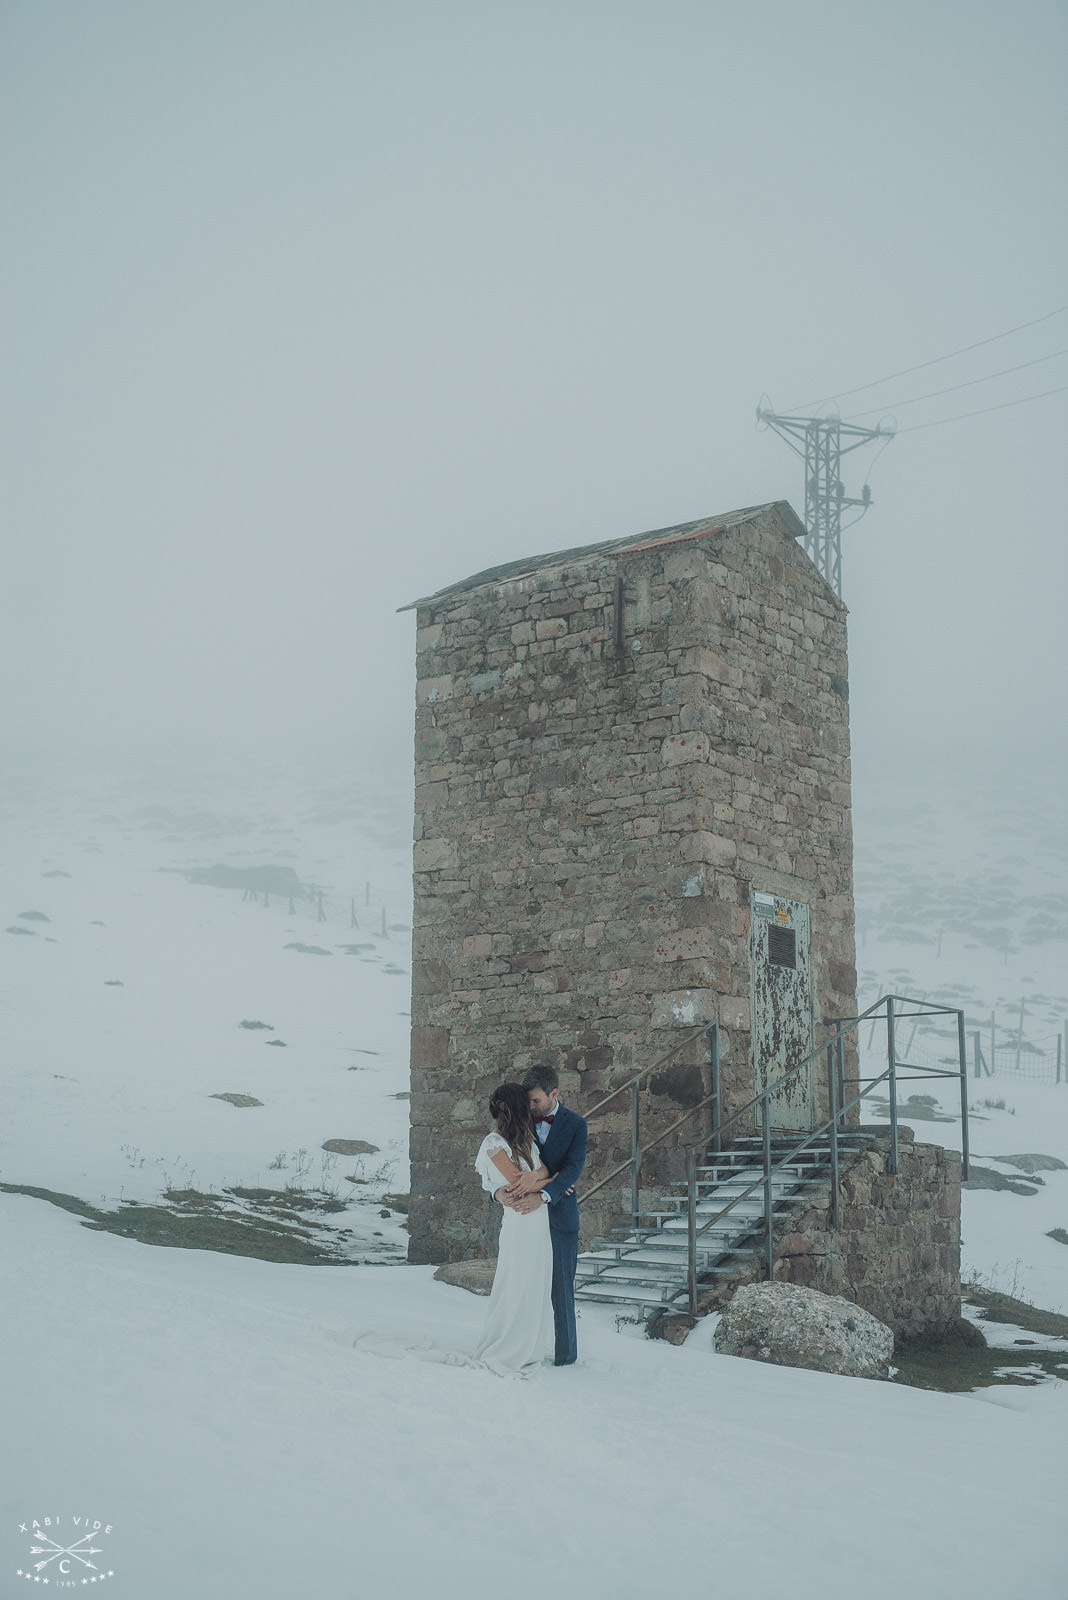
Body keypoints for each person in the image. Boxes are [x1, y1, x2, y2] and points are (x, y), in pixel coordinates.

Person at [497, 1065, 588, 1367]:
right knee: (522, 1287)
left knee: (561, 1291)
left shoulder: (576, 1125)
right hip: (524, 1222)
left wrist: (544, 1195)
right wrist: (498, 1193)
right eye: (528, 1102)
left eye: (536, 1101)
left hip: (560, 1220)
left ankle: (566, 1358)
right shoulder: (519, 1123)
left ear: (554, 1094)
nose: (531, 1108)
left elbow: (572, 1169)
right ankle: (523, 1350)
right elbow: (497, 1167)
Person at [472, 1083, 554, 1375]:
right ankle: (508, 1346)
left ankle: (529, 1347)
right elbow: (521, 1183)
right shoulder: (494, 1144)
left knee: (535, 1284)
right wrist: (545, 1179)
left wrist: (542, 1178)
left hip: (538, 1220)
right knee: (517, 1282)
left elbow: (544, 1172)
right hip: (520, 1220)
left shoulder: (527, 1142)